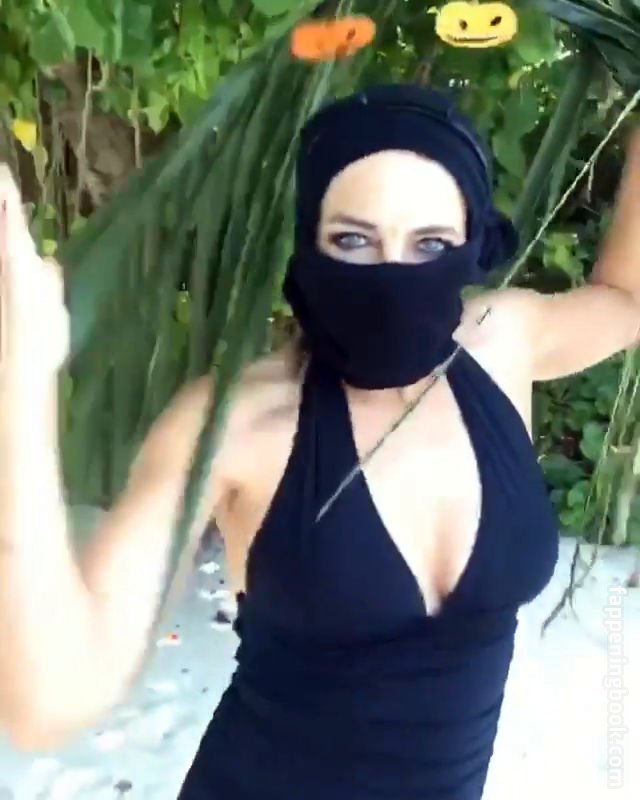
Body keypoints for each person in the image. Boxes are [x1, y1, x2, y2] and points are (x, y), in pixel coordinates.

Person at [0, 83, 639, 799]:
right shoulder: (237, 424)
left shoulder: (502, 344)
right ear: (309, 244)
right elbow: (52, 699)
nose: (392, 275)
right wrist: (19, 376)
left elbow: (625, 301)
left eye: (430, 244)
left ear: (473, 243)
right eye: (353, 241)